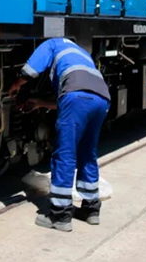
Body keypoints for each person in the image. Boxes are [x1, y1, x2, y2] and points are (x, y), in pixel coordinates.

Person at [7, 38, 111, 232]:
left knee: (65, 154)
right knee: (88, 153)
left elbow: (30, 70)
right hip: (102, 98)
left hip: (76, 96)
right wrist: (40, 103)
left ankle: (60, 215)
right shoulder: (80, 51)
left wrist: (16, 84)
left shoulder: (52, 44)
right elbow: (73, 99)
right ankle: (91, 210)